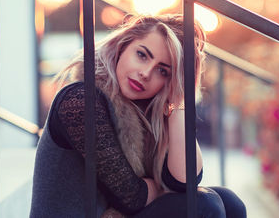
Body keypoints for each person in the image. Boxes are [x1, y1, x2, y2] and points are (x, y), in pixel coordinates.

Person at [30, 14, 246, 218]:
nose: (146, 73)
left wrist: (179, 101)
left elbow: (184, 181)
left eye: (163, 71)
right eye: (142, 55)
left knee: (229, 202)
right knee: (204, 205)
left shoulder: (146, 110)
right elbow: (131, 198)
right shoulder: (80, 100)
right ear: (123, 46)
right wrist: (158, 187)